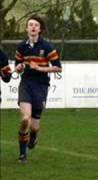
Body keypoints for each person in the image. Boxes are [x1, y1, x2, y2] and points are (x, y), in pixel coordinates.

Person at [15, 14, 62, 163]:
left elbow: (58, 68)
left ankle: (33, 136)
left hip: (41, 86)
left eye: (36, 25)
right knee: (24, 119)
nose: (33, 27)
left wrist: (40, 68)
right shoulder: (21, 46)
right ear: (26, 29)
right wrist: (19, 67)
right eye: (30, 25)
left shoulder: (47, 47)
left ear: (40, 29)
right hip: (26, 84)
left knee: (34, 126)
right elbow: (17, 67)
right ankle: (22, 155)